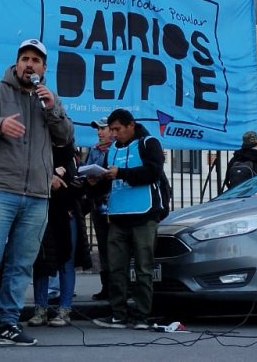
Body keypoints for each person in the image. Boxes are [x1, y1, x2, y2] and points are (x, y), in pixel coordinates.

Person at [0, 39, 74, 349]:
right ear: (16, 63)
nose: (29, 64)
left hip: (37, 195)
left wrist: (52, 110)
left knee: (22, 264)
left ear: (44, 68)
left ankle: (7, 323)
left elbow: (65, 138)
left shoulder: (48, 100)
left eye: (36, 60)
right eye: (25, 58)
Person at [90, 108, 165, 331]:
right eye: (111, 129)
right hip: (118, 216)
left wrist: (121, 173)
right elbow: (109, 182)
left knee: (143, 268)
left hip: (144, 215)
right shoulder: (112, 149)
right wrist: (94, 182)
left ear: (131, 125)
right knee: (116, 268)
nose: (113, 134)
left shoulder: (148, 143)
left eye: (117, 129)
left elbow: (153, 172)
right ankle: (118, 314)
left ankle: (142, 315)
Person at [28, 141, 90, 328]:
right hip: (42, 212)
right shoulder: (37, 149)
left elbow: (80, 188)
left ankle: (65, 309)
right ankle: (40, 308)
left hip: (66, 214)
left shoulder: (71, 156)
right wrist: (51, 177)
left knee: (66, 262)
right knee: (41, 262)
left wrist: (71, 184)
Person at [84, 116, 112, 300]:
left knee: (116, 246)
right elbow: (85, 169)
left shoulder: (119, 148)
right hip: (97, 203)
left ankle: (121, 286)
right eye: (98, 129)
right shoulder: (94, 150)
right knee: (102, 246)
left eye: (103, 128)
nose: (100, 132)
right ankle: (106, 286)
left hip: (113, 205)